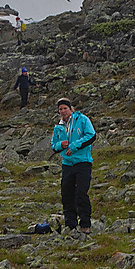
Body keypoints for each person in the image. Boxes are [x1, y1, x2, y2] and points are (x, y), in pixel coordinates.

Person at [50, 98, 96, 233]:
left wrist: (73, 147)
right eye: (60, 109)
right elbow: (54, 145)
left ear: (70, 109)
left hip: (83, 162)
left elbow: (91, 136)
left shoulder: (82, 120)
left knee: (81, 193)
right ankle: (70, 224)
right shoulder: (58, 126)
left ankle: (85, 224)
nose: (63, 111)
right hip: (67, 164)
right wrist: (61, 145)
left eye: (65, 108)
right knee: (67, 193)